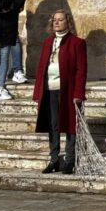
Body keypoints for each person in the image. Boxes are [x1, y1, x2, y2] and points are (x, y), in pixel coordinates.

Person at [33, 10, 87, 175]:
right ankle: (54, 160)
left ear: (67, 22)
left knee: (70, 126)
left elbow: (81, 70)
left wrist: (78, 93)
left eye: (60, 20)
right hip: (49, 90)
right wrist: (38, 95)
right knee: (53, 125)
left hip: (68, 91)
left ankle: (70, 160)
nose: (56, 22)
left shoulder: (77, 43)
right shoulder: (48, 42)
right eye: (54, 20)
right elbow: (41, 68)